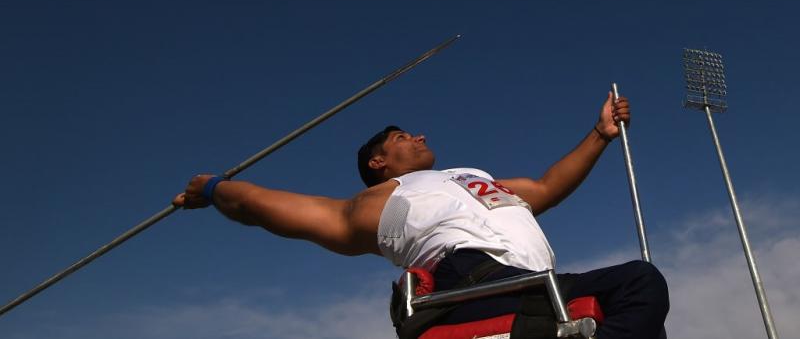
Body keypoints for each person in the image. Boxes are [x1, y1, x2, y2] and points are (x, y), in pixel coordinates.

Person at [173, 92, 668, 339]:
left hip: (535, 284)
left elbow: (545, 187)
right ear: (378, 162)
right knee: (638, 283)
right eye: (403, 137)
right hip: (467, 280)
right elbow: (264, 206)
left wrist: (600, 134)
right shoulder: (376, 200)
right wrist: (215, 188)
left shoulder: (476, 178)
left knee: (637, 289)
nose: (421, 136)